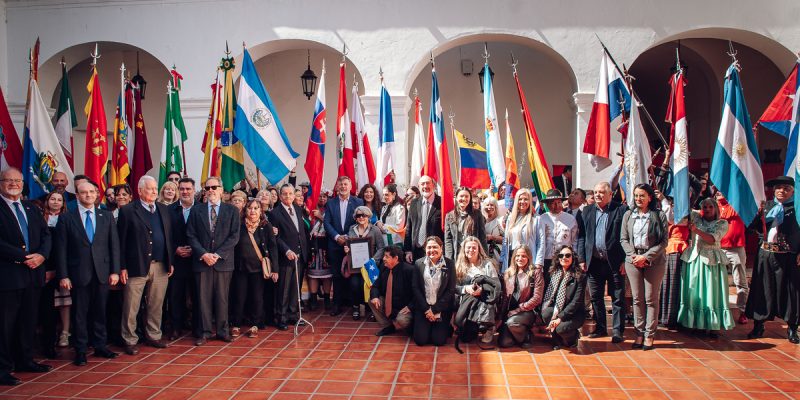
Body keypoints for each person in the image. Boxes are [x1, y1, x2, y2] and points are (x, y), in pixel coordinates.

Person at [55, 180, 121, 365]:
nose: (88, 195)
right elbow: (61, 250)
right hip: (78, 274)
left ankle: (100, 345)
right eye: (84, 193)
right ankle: (81, 350)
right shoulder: (67, 218)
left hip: (103, 273)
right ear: (77, 195)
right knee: (80, 313)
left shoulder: (106, 216)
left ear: (96, 194)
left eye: (92, 192)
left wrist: (115, 271)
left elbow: (114, 246)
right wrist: (63, 275)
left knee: (100, 311)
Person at [0, 168, 52, 386]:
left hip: (33, 274)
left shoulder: (31, 207)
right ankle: (2, 369)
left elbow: (46, 235)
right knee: (4, 325)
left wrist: (41, 255)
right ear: (1, 183)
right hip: (9, 275)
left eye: (17, 181)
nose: (14, 184)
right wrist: (24, 257)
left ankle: (25, 360)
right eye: (8, 180)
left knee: (28, 320)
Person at [117, 175, 175, 355]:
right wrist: (122, 266)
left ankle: (153, 335)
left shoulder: (163, 209)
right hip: (136, 266)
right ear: (140, 190)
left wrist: (170, 260)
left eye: (155, 187)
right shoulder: (127, 211)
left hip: (161, 265)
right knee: (131, 305)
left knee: (156, 303)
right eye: (149, 188)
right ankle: (129, 338)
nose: (154, 191)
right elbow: (121, 241)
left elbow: (168, 237)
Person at [186, 176, 240, 345]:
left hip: (223, 262)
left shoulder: (232, 211)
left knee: (222, 298)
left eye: (214, 187)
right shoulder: (196, 210)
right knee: (203, 299)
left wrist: (217, 255)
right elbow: (191, 235)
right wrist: (204, 254)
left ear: (221, 190)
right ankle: (204, 332)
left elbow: (234, 236)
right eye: (207, 188)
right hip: (202, 262)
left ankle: (223, 331)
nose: (211, 191)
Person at [746, 177, 800, 343]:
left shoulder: (797, 208)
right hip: (766, 255)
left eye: (786, 188)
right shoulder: (767, 206)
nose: (781, 191)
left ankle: (792, 328)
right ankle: (758, 325)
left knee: (791, 292)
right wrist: (758, 214)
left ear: (792, 191)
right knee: (762, 289)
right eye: (778, 188)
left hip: (789, 256)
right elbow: (751, 228)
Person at [576, 181, 628, 343]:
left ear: (610, 194)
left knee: (617, 297)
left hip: (615, 262)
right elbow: (582, 236)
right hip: (594, 262)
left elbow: (627, 237)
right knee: (596, 297)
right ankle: (600, 328)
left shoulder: (621, 210)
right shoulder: (587, 211)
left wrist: (625, 260)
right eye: (596, 192)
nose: (597, 195)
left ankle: (618, 331)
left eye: (601, 192)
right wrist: (582, 258)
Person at [620, 183, 668, 349]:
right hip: (633, 260)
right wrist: (634, 256)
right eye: (636, 195)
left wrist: (646, 257)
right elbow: (624, 239)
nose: (639, 199)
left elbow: (663, 241)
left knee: (650, 298)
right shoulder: (628, 215)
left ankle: (649, 334)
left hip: (653, 260)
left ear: (649, 197)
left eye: (642, 195)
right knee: (637, 298)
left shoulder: (658, 215)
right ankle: (639, 333)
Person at [678, 198, 734, 338]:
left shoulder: (722, 223)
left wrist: (696, 230)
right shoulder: (696, 217)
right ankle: (696, 322)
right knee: (694, 291)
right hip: (695, 259)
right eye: (705, 207)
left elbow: (712, 239)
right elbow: (682, 210)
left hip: (712, 262)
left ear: (715, 208)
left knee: (711, 292)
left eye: (710, 207)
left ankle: (713, 324)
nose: (707, 209)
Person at [232, 200, 278, 338]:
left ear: (260, 211)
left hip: (258, 269)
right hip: (240, 267)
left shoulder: (266, 226)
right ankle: (236, 324)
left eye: (256, 208)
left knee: (257, 297)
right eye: (250, 208)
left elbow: (273, 248)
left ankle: (255, 325)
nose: (253, 211)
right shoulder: (238, 226)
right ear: (245, 210)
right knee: (239, 297)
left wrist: (275, 269)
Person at [270, 184, 311, 330]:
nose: (288, 196)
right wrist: (286, 250)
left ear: (294, 195)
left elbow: (302, 232)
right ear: (280, 196)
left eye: (290, 194)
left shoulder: (298, 209)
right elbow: (276, 237)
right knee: (284, 289)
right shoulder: (275, 213)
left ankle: (293, 315)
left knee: (295, 288)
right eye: (285, 194)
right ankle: (280, 317)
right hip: (285, 257)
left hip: (300, 256)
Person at [324, 176, 363, 317]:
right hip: (335, 244)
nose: (343, 187)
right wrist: (336, 237)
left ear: (350, 186)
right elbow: (326, 223)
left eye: (345, 184)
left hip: (352, 244)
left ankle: (354, 304)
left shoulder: (358, 202)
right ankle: (337, 304)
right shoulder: (330, 203)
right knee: (336, 275)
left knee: (352, 274)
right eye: (340, 184)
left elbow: (360, 221)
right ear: (337, 187)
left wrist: (347, 237)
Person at [454, 236, 501, 346]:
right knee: (465, 338)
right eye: (468, 247)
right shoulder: (459, 266)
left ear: (479, 249)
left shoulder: (487, 264)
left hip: (485, 299)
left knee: (480, 325)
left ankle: (488, 328)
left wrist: (482, 289)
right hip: (467, 300)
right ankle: (474, 326)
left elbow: (496, 285)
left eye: (474, 248)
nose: (471, 250)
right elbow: (454, 288)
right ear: (464, 249)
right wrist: (466, 288)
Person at [167, 177, 198, 340]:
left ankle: (197, 328)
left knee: (197, 295)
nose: (185, 192)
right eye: (182, 189)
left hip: (196, 260)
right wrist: (175, 250)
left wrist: (195, 249)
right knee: (175, 296)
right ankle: (175, 328)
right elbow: (165, 236)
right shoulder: (168, 210)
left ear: (194, 190)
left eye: (188, 189)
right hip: (176, 261)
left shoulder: (201, 209)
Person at [39, 192, 69, 357]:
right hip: (40, 268)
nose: (56, 202)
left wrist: (58, 270)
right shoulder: (38, 218)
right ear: (47, 201)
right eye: (53, 199)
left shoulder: (67, 219)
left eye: (59, 199)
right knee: (43, 309)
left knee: (60, 306)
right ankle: (43, 344)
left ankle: (59, 338)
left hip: (60, 268)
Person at [343, 206, 387, 320]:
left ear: (368, 217)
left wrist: (373, 260)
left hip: (370, 265)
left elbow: (381, 248)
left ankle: (371, 309)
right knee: (354, 284)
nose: (361, 217)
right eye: (358, 215)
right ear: (355, 218)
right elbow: (349, 245)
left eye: (364, 215)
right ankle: (356, 307)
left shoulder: (375, 230)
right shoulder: (352, 229)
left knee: (368, 285)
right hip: (355, 265)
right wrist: (347, 249)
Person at [411, 237, 455, 346]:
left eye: (435, 247)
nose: (432, 250)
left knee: (439, 341)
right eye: (429, 247)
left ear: (441, 248)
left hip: (441, 308)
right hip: (423, 307)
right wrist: (427, 309)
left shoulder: (450, 264)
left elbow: (451, 290)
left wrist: (435, 309)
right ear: (425, 249)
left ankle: (444, 326)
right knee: (420, 341)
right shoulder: (418, 263)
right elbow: (415, 287)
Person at [498, 246, 544, 348]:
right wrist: (501, 317)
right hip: (510, 312)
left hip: (528, 311)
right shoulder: (508, 273)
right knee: (505, 343)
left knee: (512, 323)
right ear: (514, 257)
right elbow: (505, 298)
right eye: (517, 256)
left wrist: (519, 309)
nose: (520, 258)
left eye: (524, 256)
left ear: (529, 258)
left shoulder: (535, 273)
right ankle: (519, 335)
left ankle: (526, 335)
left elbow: (537, 298)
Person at [542, 245, 586, 350]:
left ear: (573, 258)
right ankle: (557, 340)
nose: (564, 258)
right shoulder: (553, 273)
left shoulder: (580, 276)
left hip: (574, 314)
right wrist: (555, 316)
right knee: (546, 313)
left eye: (567, 255)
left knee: (560, 328)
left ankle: (573, 337)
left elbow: (576, 302)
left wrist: (559, 318)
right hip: (557, 309)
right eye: (561, 255)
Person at [716, 191, 749, 324]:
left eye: (721, 188)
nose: (718, 191)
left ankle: (743, 311)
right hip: (717, 248)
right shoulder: (712, 206)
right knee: (717, 281)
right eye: (715, 188)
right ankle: (720, 310)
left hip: (736, 248)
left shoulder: (737, 204)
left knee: (740, 280)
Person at [657, 193, 689, 328]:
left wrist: (663, 200)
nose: (672, 205)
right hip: (666, 249)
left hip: (678, 250)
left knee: (674, 285)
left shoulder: (685, 215)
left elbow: (673, 218)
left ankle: (672, 317)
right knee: (665, 285)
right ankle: (664, 315)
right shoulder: (665, 213)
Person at [535, 189, 578, 286]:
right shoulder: (542, 218)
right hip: (546, 259)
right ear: (548, 204)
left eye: (559, 202)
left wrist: (574, 258)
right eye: (553, 203)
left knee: (563, 285)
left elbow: (575, 241)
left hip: (563, 259)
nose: (556, 205)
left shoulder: (570, 219)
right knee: (546, 285)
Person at [369, 246, 414, 336]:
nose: (383, 259)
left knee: (402, 320)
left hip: (406, 308)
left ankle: (411, 328)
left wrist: (410, 306)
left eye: (386, 256)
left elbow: (418, 293)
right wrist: (374, 297)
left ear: (396, 258)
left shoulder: (409, 270)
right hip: (390, 306)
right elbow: (375, 286)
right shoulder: (384, 268)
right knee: (372, 300)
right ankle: (389, 326)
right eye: (384, 256)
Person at [404, 176, 443, 263]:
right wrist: (408, 250)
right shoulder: (414, 203)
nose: (425, 186)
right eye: (422, 184)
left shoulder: (442, 203)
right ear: (419, 187)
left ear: (433, 185)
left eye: (428, 183)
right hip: (416, 251)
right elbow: (409, 228)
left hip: (435, 251)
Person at [444, 187, 486, 261]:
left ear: (470, 199)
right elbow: (448, 239)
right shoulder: (449, 216)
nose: (464, 199)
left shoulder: (477, 214)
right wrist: (449, 259)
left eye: (466, 196)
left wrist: (485, 256)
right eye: (461, 196)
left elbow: (482, 237)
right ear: (456, 198)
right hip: (457, 255)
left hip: (472, 254)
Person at [501, 189, 538, 273]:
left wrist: (538, 263)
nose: (522, 201)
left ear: (530, 201)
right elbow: (505, 241)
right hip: (512, 259)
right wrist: (502, 260)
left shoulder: (536, 219)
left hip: (528, 260)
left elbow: (541, 243)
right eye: (520, 199)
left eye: (526, 199)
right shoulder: (510, 218)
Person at [307, 191, 332, 311]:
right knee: (313, 274)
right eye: (319, 196)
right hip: (313, 246)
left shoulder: (330, 210)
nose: (322, 198)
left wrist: (321, 217)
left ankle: (327, 299)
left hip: (326, 245)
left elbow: (332, 226)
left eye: (324, 196)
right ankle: (313, 299)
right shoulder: (309, 210)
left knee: (327, 274)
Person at [377, 183, 406, 248]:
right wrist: (378, 223)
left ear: (394, 194)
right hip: (383, 243)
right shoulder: (384, 208)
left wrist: (383, 227)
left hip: (395, 243)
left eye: (387, 195)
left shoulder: (400, 208)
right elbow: (381, 222)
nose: (384, 197)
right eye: (383, 195)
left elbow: (399, 228)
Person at [483, 197, 504, 263]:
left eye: (492, 205)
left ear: (496, 207)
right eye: (487, 205)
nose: (489, 207)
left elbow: (506, 239)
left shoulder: (500, 220)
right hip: (484, 252)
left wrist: (493, 237)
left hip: (496, 253)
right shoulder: (482, 220)